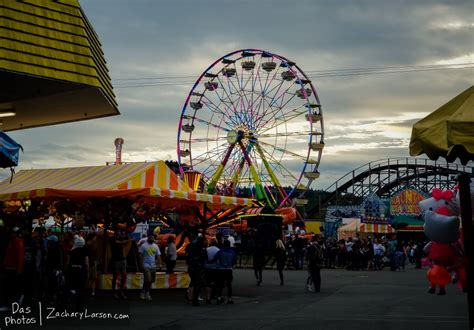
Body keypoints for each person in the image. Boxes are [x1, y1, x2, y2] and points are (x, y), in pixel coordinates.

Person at [1, 226, 25, 310]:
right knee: (9, 287)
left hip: (13, 268)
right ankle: (11, 303)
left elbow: (20, 257)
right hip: (9, 267)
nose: (12, 234)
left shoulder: (17, 242)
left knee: (9, 287)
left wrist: (19, 269)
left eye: (13, 233)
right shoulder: (12, 242)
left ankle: (9, 305)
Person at [65, 235, 89, 310]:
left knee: (69, 287)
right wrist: (87, 272)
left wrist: (66, 271)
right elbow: (87, 263)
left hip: (71, 271)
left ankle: (65, 303)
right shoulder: (84, 252)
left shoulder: (71, 251)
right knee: (81, 289)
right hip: (81, 271)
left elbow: (67, 262)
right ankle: (79, 306)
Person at [139, 234, 162, 301]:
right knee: (148, 280)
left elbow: (158, 256)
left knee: (149, 281)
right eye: (150, 237)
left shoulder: (155, 246)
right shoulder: (143, 246)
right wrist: (141, 265)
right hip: (146, 265)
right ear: (148, 238)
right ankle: (147, 293)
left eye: (153, 238)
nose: (152, 239)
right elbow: (140, 256)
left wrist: (160, 264)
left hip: (153, 266)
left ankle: (143, 291)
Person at [214, 239, 237, 304]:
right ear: (229, 245)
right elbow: (234, 261)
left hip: (221, 269)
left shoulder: (220, 251)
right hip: (229, 269)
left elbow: (215, 258)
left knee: (220, 285)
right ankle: (229, 299)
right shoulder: (232, 252)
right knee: (229, 284)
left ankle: (219, 298)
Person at [186, 235, 207, 306]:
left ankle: (190, 297)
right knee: (197, 284)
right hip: (198, 267)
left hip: (191, 267)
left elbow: (188, 257)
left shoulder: (191, 247)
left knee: (193, 282)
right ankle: (195, 298)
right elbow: (205, 257)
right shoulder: (202, 250)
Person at [110, 230, 131, 299]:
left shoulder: (118, 238)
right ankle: (114, 292)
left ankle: (120, 291)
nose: (119, 233)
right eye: (118, 232)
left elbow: (125, 240)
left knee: (123, 276)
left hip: (122, 259)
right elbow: (122, 242)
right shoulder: (112, 239)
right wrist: (127, 239)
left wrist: (126, 236)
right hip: (116, 260)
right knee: (115, 276)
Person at [204, 238, 219, 304]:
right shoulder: (218, 250)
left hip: (207, 267)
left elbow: (204, 259)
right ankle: (214, 294)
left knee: (208, 282)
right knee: (216, 282)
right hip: (215, 267)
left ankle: (208, 297)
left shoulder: (206, 250)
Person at [85, 232, 99, 298]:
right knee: (91, 278)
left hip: (91, 263)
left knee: (92, 278)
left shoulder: (86, 244)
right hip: (90, 263)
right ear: (93, 237)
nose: (96, 238)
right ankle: (91, 292)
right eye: (95, 237)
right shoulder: (90, 245)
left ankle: (91, 292)